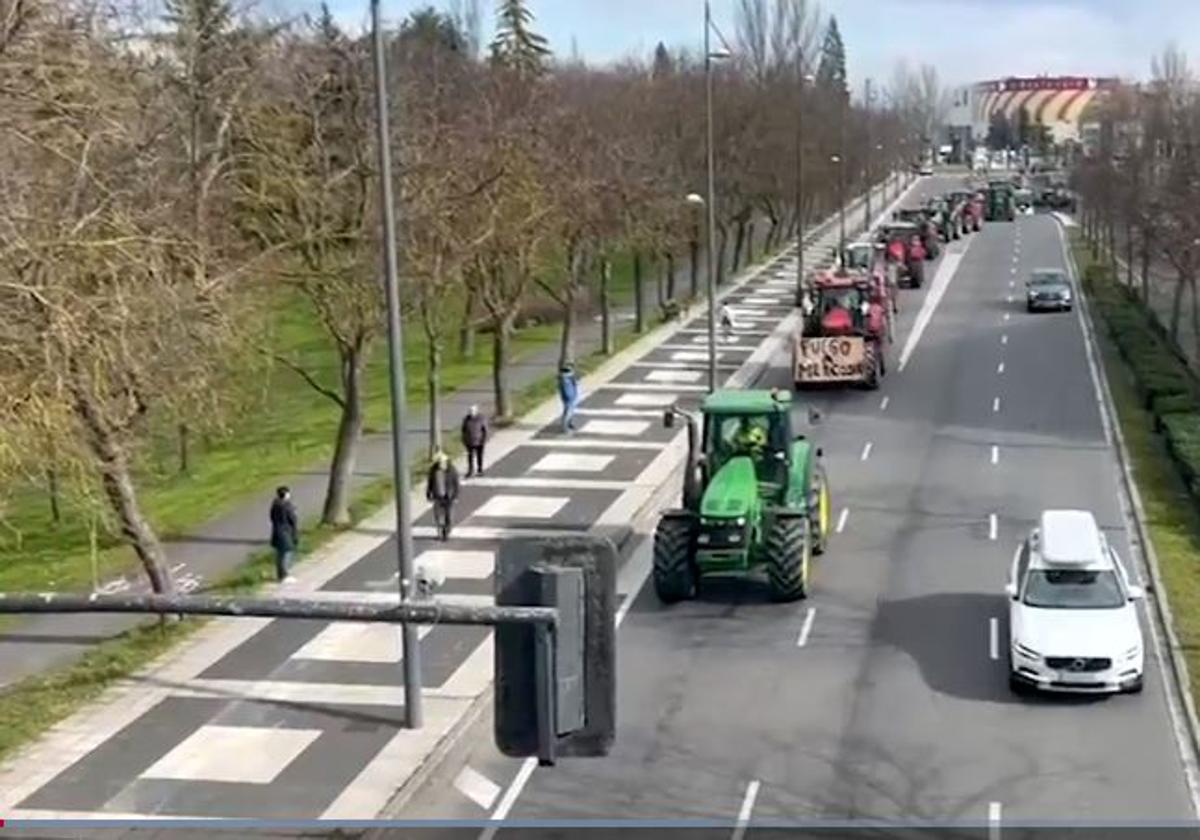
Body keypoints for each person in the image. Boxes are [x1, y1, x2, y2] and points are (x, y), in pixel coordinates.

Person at [426, 451, 460, 541]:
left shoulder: (452, 470)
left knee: (449, 516)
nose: (440, 464)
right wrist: (428, 493)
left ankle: (447, 531)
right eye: (439, 462)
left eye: (442, 462)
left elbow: (456, 484)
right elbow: (430, 482)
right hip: (437, 496)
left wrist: (456, 495)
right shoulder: (433, 470)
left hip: (449, 496)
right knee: (438, 516)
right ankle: (440, 533)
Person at [269, 486, 299, 583]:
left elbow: (272, 518)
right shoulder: (287, 506)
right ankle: (285, 574)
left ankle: (280, 574)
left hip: (277, 531)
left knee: (280, 554)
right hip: (286, 532)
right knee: (286, 552)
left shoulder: (275, 505)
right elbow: (293, 519)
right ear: (286, 494)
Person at [461, 404, 488, 477]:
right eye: (470, 411)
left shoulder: (481, 419)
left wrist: (483, 440)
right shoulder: (466, 419)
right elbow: (463, 430)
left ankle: (480, 469)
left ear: (476, 411)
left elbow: (485, 430)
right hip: (469, 441)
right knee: (470, 457)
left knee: (479, 456)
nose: (471, 412)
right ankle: (470, 470)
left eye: (472, 411)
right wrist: (464, 439)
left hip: (479, 441)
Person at [558, 364, 579, 434]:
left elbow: (574, 384)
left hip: (570, 395)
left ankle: (569, 424)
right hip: (569, 396)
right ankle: (565, 427)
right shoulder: (566, 379)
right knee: (568, 411)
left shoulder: (565, 378)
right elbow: (568, 389)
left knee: (569, 410)